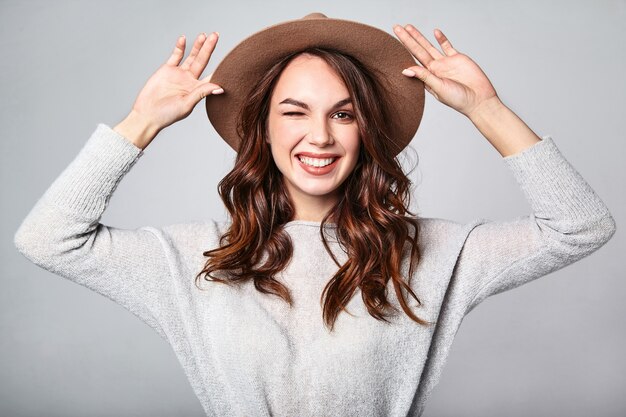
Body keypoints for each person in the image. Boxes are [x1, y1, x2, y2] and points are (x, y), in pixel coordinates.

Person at [13, 12, 616, 417]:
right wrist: (139, 124)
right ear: (264, 127)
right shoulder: (196, 257)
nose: (320, 137)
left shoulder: (428, 252)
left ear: (366, 130)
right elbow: (48, 239)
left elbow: (582, 226)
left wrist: (487, 109)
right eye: (295, 112)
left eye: (344, 114)